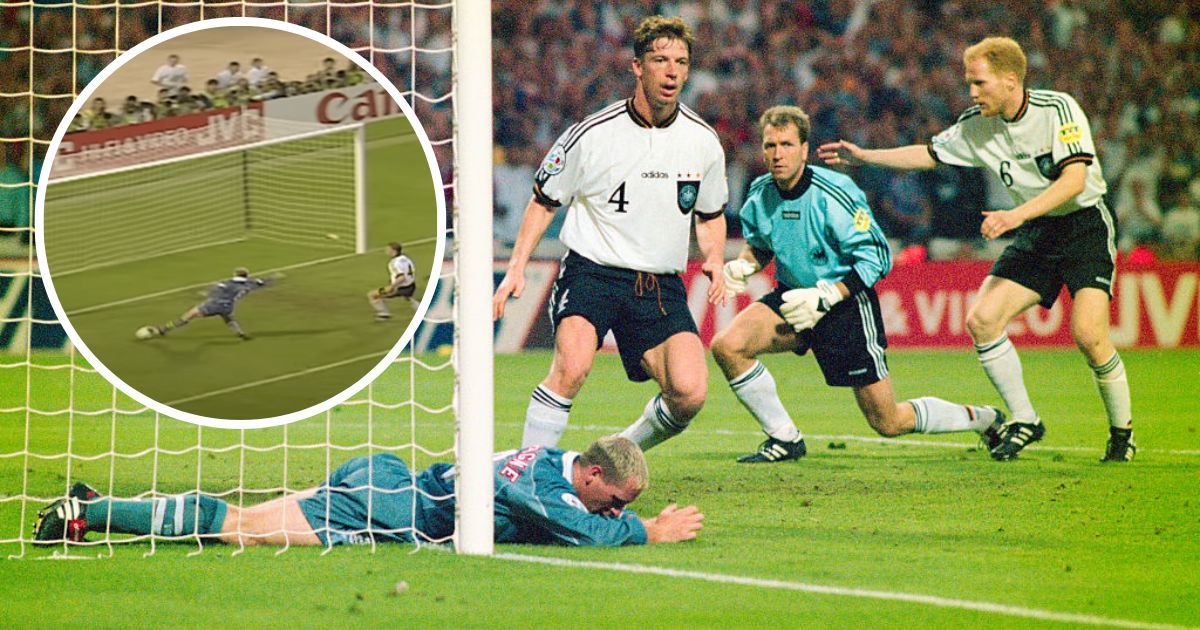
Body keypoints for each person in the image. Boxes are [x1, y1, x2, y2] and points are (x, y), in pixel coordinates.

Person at [817, 36, 1134, 462]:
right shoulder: (975, 124)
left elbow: (1075, 181)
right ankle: (1025, 420)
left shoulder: (1057, 109)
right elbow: (929, 153)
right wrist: (865, 157)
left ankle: (1122, 434)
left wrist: (1016, 216)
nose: (972, 92)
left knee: (1090, 336)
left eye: (979, 83)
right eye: (969, 83)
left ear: (1009, 80)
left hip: (1083, 227)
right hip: (1037, 230)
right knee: (982, 320)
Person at [716, 106, 1006, 463]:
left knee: (888, 421)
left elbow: (878, 257)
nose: (778, 154)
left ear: (805, 149)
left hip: (845, 307)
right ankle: (785, 438)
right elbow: (759, 245)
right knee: (728, 346)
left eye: (787, 144)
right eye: (770, 145)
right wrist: (744, 265)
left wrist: (827, 296)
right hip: (793, 300)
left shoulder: (834, 192)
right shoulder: (761, 192)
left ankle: (984, 418)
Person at [492, 16, 728, 451]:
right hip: (593, 273)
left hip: (659, 284)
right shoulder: (593, 134)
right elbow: (544, 200)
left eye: (681, 61)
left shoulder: (703, 141)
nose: (672, 71)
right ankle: (525, 472)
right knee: (573, 366)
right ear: (638, 66)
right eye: (660, 60)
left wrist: (713, 255)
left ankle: (622, 448)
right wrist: (516, 269)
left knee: (690, 393)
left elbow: (710, 214)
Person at [32, 436, 704, 548]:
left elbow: (580, 517)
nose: (620, 510)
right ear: (590, 476)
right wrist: (645, 533)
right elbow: (576, 529)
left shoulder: (556, 467)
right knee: (235, 527)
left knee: (240, 521)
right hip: (383, 506)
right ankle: (86, 513)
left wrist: (633, 520)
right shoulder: (542, 483)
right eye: (616, 500)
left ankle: (96, 503)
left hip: (388, 481)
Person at [146, 267, 277, 341]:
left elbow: (215, 288)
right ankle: (240, 334)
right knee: (228, 319)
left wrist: (205, 293)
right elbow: (261, 282)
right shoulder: (250, 284)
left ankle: (163, 329)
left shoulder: (226, 283)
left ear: (235, 274)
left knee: (188, 316)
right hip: (229, 306)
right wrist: (272, 278)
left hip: (213, 305)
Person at [368, 242, 418, 320]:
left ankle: (384, 314)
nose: (386, 251)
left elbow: (401, 278)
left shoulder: (394, 263)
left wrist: (391, 287)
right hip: (411, 285)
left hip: (400, 288)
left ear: (394, 251)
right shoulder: (406, 258)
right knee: (408, 297)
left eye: (388, 249)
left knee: (373, 295)